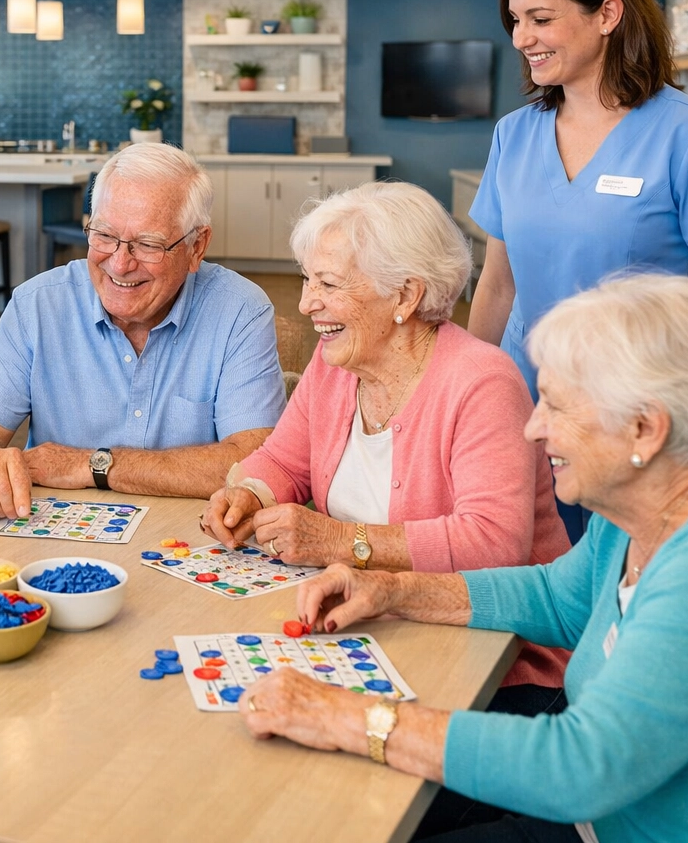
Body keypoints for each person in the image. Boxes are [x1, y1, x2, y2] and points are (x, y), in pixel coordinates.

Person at [240, 275, 688, 843]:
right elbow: (556, 598)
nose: (534, 429)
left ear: (646, 430)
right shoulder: (645, 507)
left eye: (557, 407)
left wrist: (350, 718)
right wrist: (395, 590)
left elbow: (580, 768)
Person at [204, 182, 569, 697]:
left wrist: (339, 543)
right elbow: (284, 460)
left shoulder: (483, 382)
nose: (307, 304)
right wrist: (251, 493)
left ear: (405, 295)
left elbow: (494, 545)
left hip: (496, 663)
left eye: (328, 285)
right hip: (374, 634)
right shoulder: (337, 362)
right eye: (307, 280)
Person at [467, 0, 688, 537]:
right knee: (533, 573)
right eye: (516, 19)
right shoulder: (513, 135)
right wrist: (469, 392)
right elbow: (497, 285)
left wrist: (674, 420)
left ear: (608, 13)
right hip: (530, 404)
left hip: (638, 414)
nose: (522, 38)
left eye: (541, 18)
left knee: (621, 587)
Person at [0, 142, 286, 517]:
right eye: (103, 235)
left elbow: (258, 463)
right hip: (54, 542)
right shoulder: (37, 305)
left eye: (147, 244)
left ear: (196, 247)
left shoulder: (240, 311)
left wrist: (93, 465)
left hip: (186, 538)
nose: (119, 264)